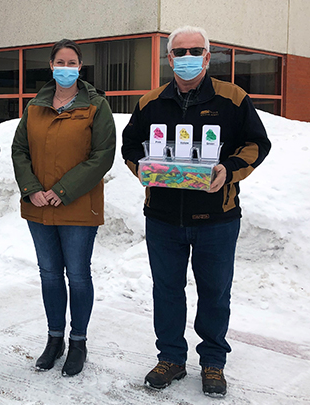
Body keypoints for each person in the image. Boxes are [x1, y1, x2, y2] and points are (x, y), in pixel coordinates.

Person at [121, 26, 272, 397]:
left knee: (215, 293)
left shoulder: (232, 99)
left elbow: (257, 143)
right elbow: (129, 147)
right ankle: (170, 357)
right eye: (179, 52)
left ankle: (213, 363)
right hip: (163, 218)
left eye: (195, 51)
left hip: (216, 219)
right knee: (167, 291)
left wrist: (229, 169)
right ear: (169, 58)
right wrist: (143, 169)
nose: (186, 58)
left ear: (207, 57)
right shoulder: (150, 102)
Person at [11, 39, 116, 377]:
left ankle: (78, 341)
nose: (66, 67)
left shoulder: (96, 106)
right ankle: (54, 338)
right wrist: (32, 189)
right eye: (61, 61)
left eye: (72, 62)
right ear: (51, 65)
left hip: (78, 207)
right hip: (40, 207)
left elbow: (102, 156)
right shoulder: (35, 107)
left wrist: (63, 190)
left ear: (80, 67)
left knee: (78, 276)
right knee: (50, 275)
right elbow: (19, 150)